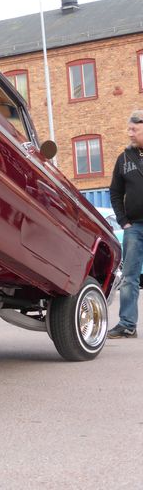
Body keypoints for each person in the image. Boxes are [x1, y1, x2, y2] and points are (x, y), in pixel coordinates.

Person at [108, 110, 143, 339]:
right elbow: (115, 191)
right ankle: (127, 325)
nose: (129, 133)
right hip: (134, 227)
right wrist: (123, 221)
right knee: (129, 277)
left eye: (134, 130)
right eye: (129, 129)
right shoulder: (124, 158)